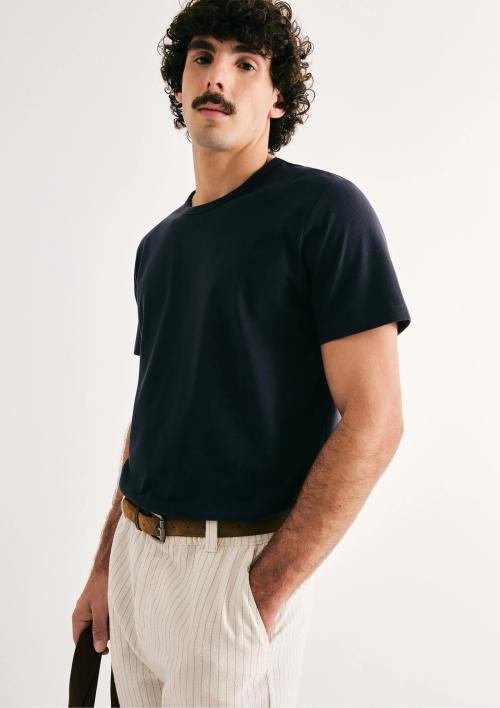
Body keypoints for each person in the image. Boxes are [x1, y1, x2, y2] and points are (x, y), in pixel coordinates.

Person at [71, 0, 412, 705]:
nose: (217, 76)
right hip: (137, 561)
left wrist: (265, 590)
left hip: (236, 569)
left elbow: (376, 420)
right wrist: (106, 563)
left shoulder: (326, 213)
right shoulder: (158, 247)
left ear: (278, 97)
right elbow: (153, 415)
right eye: (202, 56)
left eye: (245, 63)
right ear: (180, 85)